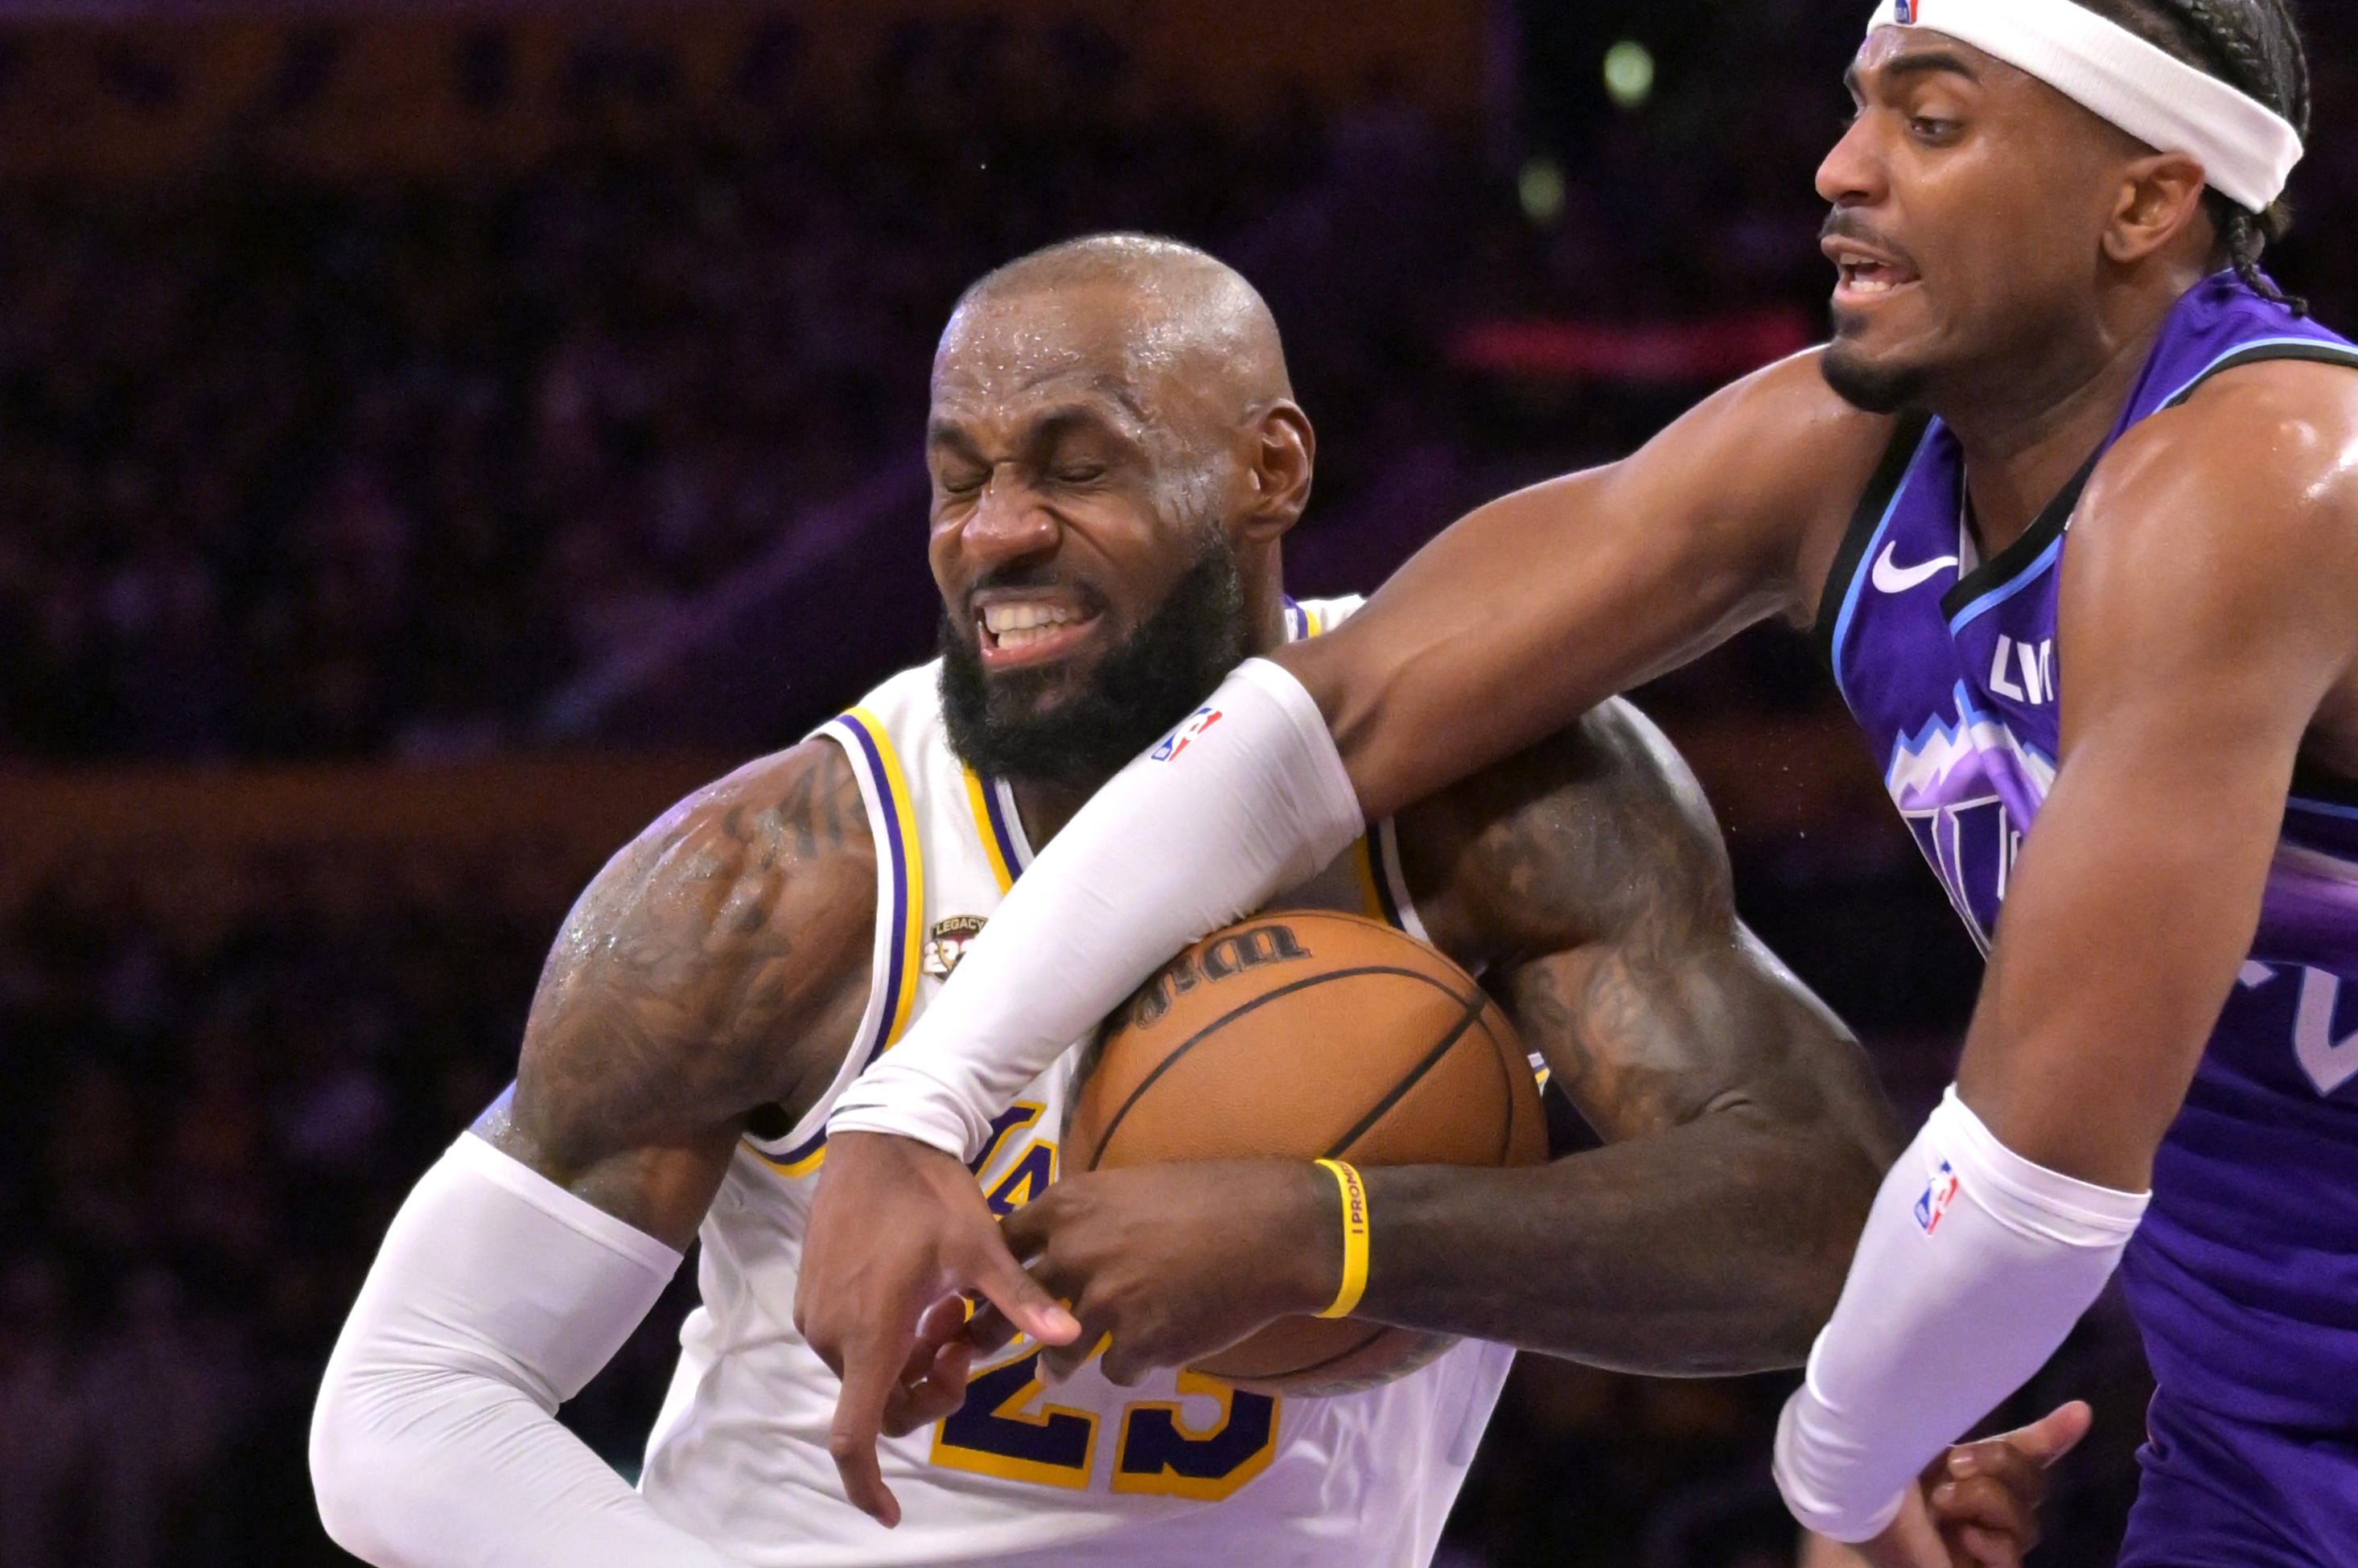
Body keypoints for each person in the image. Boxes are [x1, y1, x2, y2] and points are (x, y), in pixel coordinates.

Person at [797, 0, 2358, 1567]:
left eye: (1932, 126)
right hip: (2276, 1458)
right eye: (1856, 112)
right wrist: (929, 1093)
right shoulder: (1832, 458)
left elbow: (2036, 1173)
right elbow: (1331, 714)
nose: (1844, 169)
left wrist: (1837, 1470)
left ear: (2149, 199)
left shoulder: (2272, 480)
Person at [309, 236, 2072, 1568]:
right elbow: (405, 1403)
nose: (994, 531)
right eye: (958, 474)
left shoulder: (1496, 793)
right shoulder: (786, 879)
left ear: (1270, 473)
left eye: (1074, 464)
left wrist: (1330, 1231)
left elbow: (1831, 1213)